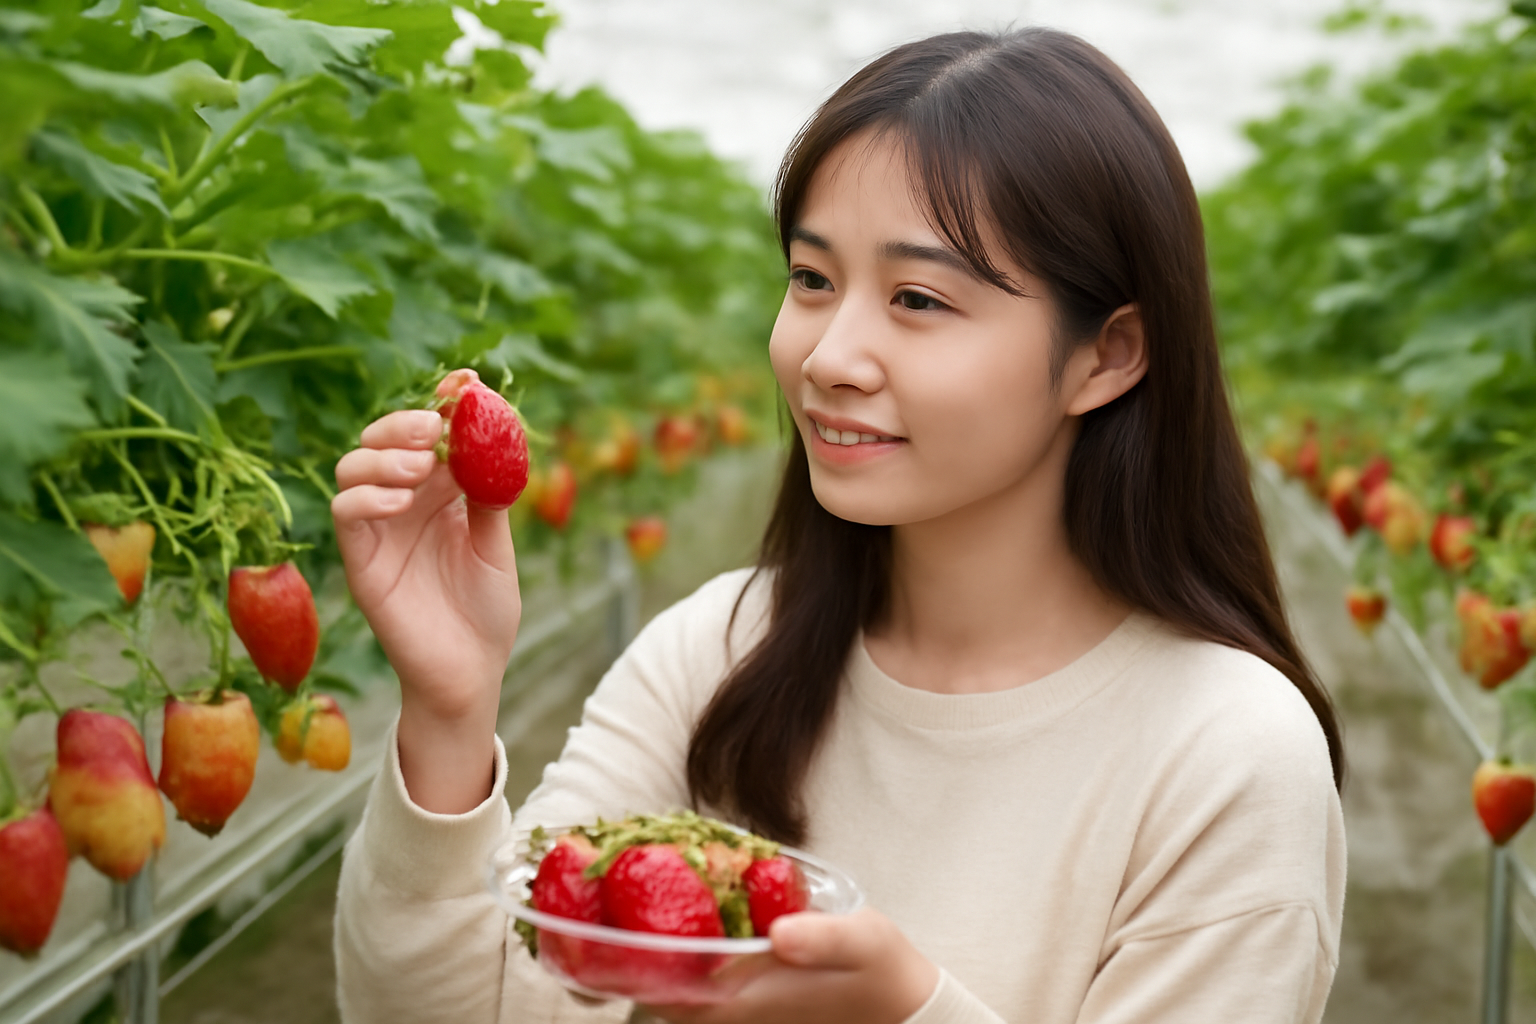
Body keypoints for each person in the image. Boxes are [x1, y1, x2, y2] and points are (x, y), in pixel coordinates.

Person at [329, 26, 1346, 1024]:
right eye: (813, 280)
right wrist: (452, 714)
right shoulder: (719, 648)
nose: (829, 355)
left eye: (916, 297)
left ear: (1108, 354)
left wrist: (906, 1013)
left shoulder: (1228, 751)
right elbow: (487, 1005)